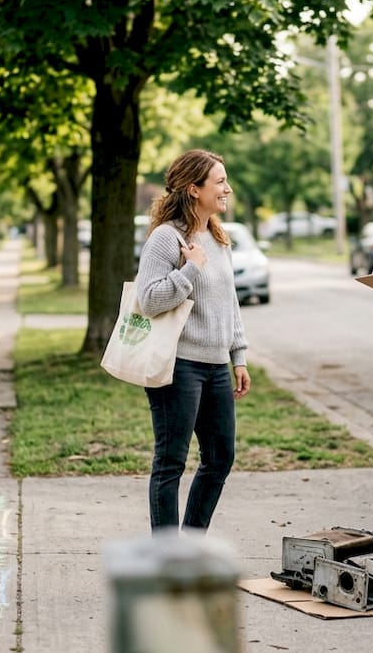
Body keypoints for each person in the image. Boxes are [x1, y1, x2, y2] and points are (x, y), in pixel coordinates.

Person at [135, 148, 252, 534]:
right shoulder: (166, 239)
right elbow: (149, 300)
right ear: (193, 189)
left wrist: (238, 355)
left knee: (220, 457)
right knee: (171, 461)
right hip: (179, 365)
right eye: (219, 182)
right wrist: (189, 269)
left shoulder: (217, 236)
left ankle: (190, 543)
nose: (227, 189)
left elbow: (229, 301)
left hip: (217, 365)